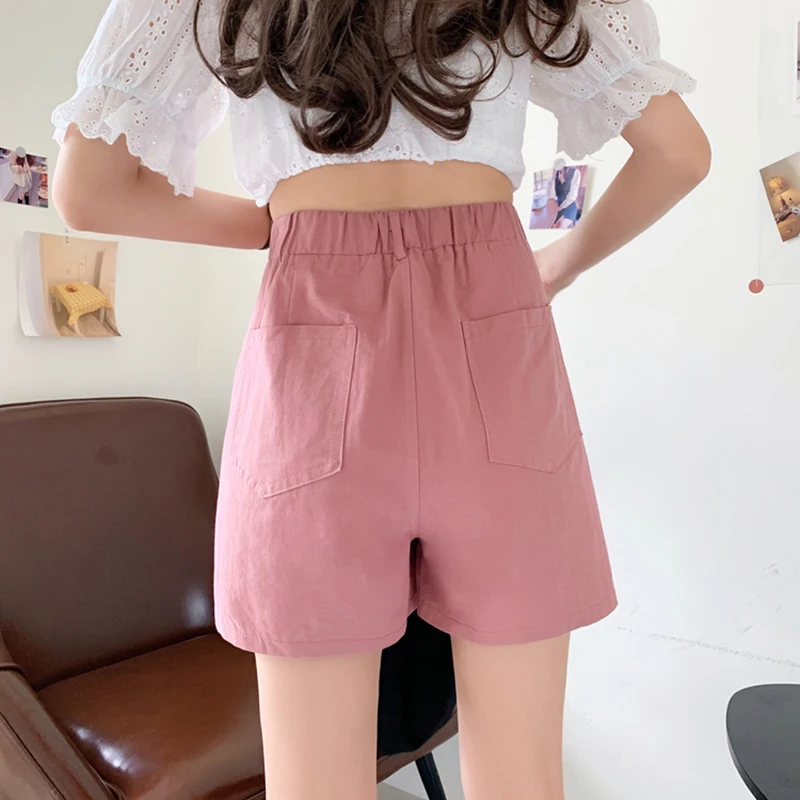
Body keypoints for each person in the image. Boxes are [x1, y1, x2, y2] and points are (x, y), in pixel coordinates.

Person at [51, 0, 710, 796]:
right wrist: (556, 265)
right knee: (522, 778)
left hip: (314, 351)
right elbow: (679, 154)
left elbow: (88, 192)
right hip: (495, 343)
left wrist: (272, 227)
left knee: (316, 783)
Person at [549, 158, 583, 229]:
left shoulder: (575, 172)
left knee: (559, 226)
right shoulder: (556, 173)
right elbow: (552, 194)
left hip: (569, 206)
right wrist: (553, 204)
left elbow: (572, 196)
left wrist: (560, 207)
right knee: (550, 225)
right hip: (557, 205)